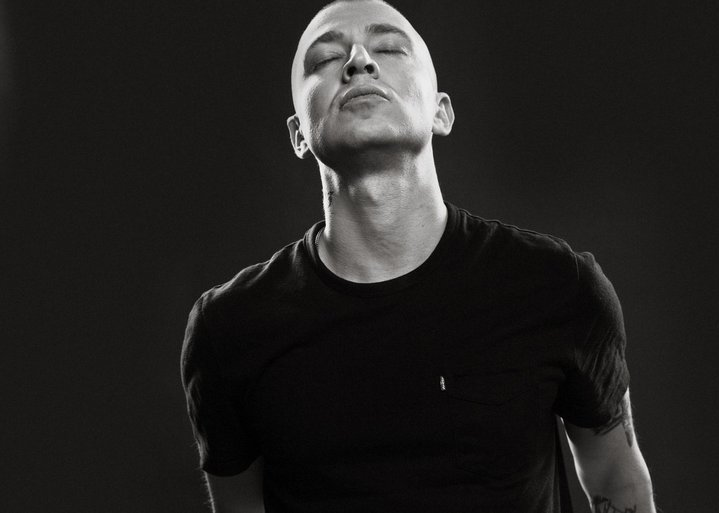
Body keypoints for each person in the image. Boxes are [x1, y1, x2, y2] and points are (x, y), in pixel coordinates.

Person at [180, 0, 657, 512]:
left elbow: (617, 480)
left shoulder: (556, 287)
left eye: (389, 48)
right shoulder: (230, 328)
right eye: (325, 59)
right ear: (299, 135)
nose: (359, 60)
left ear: (440, 112)